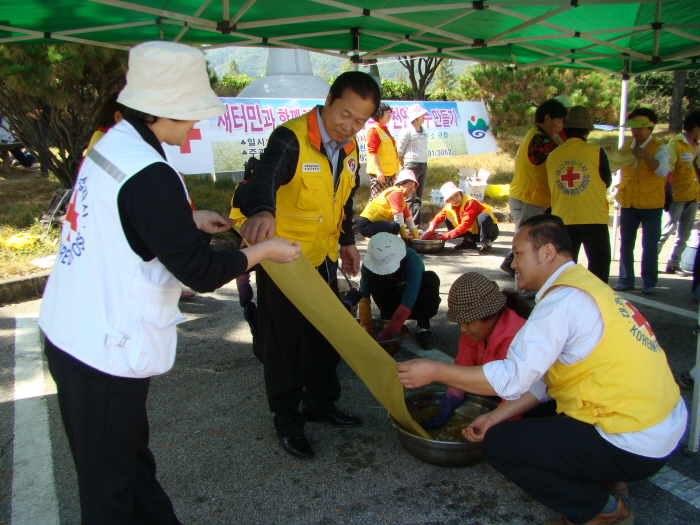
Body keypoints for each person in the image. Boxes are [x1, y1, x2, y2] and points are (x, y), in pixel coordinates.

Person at [37, 42, 301, 525]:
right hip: (102, 351)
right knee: (109, 491)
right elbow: (199, 273)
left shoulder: (115, 141)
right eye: (190, 114)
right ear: (157, 111)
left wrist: (186, 220)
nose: (197, 125)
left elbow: (126, 214)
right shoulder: (151, 172)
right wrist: (263, 251)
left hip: (73, 327)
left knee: (128, 464)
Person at [398, 214, 686, 525]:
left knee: (502, 446)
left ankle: (602, 510)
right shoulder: (586, 286)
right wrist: (494, 415)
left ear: (547, 252)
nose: (512, 263)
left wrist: (434, 371)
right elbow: (547, 380)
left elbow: (511, 379)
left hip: (634, 440)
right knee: (516, 426)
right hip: (661, 422)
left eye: (519, 253)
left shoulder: (562, 301)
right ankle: (608, 479)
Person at [239, 71, 380, 460]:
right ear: (329, 98)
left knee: (324, 334)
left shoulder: (350, 147)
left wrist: (348, 241)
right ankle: (287, 421)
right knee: (282, 343)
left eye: (359, 122)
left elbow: (346, 196)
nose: (348, 127)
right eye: (344, 115)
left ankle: (320, 404)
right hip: (283, 261)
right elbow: (264, 178)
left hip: (322, 257)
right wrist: (263, 211)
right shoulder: (291, 137)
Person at [420, 272, 529, 431]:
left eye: (468, 322)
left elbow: (520, 394)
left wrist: (492, 424)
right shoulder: (472, 333)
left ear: (491, 315)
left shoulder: (518, 337)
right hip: (491, 388)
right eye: (459, 323)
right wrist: (447, 406)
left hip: (521, 399)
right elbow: (462, 370)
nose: (462, 329)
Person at [500, 98, 567, 276]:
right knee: (527, 240)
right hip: (529, 197)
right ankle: (520, 274)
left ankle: (510, 264)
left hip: (527, 195)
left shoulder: (533, 134)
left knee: (526, 237)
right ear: (547, 118)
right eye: (558, 121)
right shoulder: (542, 140)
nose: (560, 127)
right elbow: (565, 155)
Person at [546, 106, 612, 283]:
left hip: (563, 218)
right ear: (588, 131)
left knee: (564, 268)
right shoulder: (597, 152)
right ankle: (597, 302)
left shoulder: (553, 155)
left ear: (565, 130)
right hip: (593, 217)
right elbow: (607, 181)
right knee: (599, 265)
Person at [613, 108, 670, 295]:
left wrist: (645, 155)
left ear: (650, 127)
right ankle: (626, 279)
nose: (636, 131)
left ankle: (649, 280)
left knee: (650, 244)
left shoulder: (660, 147)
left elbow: (662, 171)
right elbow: (617, 165)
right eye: (633, 128)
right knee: (626, 243)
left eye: (640, 127)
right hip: (628, 202)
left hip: (652, 204)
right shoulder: (627, 146)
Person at [358, 232, 440, 350]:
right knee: (376, 282)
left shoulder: (412, 258)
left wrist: (387, 334)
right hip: (392, 305)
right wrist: (366, 325)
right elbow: (364, 295)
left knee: (430, 279)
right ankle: (386, 321)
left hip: (416, 304)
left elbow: (409, 300)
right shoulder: (369, 264)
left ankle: (423, 328)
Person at [657, 110, 700, 276]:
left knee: (685, 233)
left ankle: (674, 263)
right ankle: (651, 262)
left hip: (693, 195)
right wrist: (667, 191)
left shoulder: (697, 146)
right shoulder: (676, 144)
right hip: (676, 196)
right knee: (665, 231)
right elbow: (669, 169)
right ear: (695, 128)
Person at [421, 181, 499, 254]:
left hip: (490, 231)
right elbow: (438, 218)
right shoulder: (449, 207)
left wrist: (444, 236)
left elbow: (466, 224)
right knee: (447, 218)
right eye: (451, 197)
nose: (455, 199)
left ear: (460, 193)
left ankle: (486, 243)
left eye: (456, 195)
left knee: (483, 217)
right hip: (473, 232)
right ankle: (469, 241)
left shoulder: (470, 202)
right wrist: (429, 231)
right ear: (447, 201)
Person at [357, 169, 421, 239]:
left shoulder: (402, 200)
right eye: (410, 184)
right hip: (367, 225)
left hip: (375, 224)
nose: (412, 188)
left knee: (395, 226)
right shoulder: (396, 193)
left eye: (414, 186)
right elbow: (398, 216)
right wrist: (403, 235)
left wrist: (415, 234)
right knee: (394, 226)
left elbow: (409, 219)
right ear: (401, 184)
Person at [397, 103, 429, 224]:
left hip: (423, 165)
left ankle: (416, 224)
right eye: (422, 114)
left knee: (418, 197)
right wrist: (403, 166)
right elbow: (400, 151)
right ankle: (410, 226)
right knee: (410, 196)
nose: (424, 116)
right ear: (415, 117)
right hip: (411, 165)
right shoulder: (407, 131)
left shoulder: (423, 130)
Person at [366, 102, 399, 199]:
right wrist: (379, 171)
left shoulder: (385, 129)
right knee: (377, 200)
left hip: (389, 173)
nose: (390, 115)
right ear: (379, 113)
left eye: (390, 112)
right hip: (380, 174)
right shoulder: (374, 130)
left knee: (386, 200)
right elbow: (372, 151)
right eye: (387, 112)